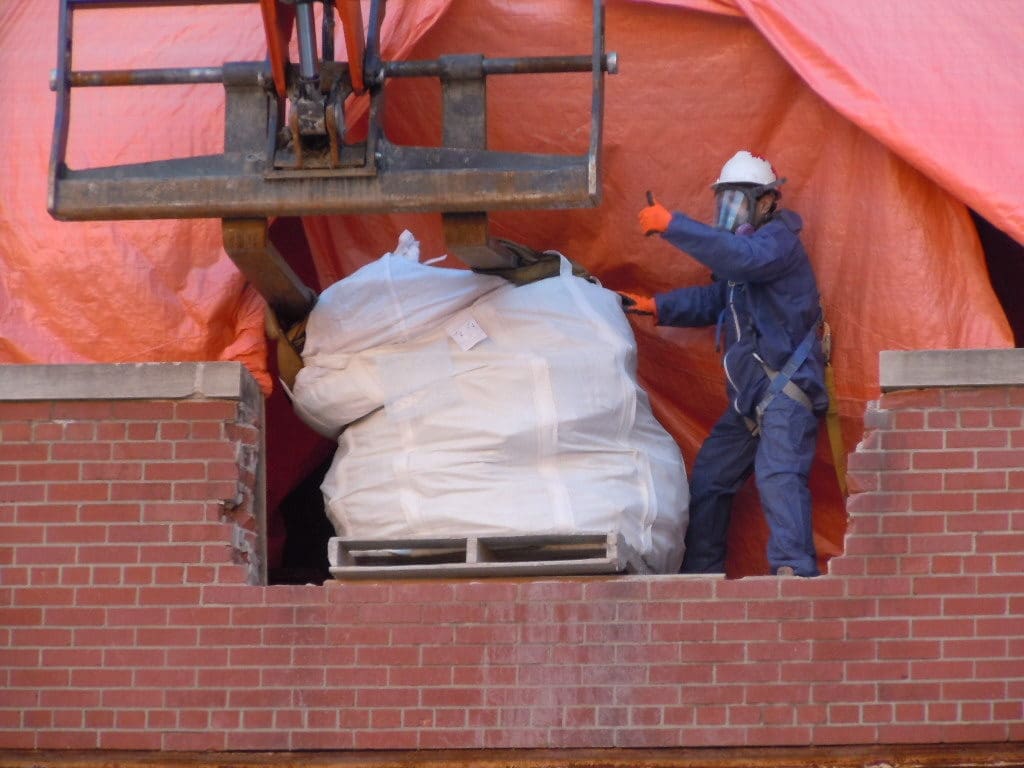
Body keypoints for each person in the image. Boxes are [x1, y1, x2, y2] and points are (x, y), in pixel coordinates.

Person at [620, 150, 827, 577]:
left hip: (785, 393)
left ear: (767, 202)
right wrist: (658, 307)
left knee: (779, 476)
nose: (730, 212)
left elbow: (739, 259)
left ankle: (795, 575)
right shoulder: (745, 256)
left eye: (739, 201)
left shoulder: (776, 245)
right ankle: (701, 578)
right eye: (725, 202)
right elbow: (719, 297)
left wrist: (673, 225)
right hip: (750, 400)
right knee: (711, 480)